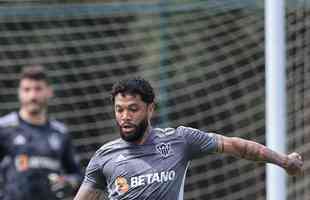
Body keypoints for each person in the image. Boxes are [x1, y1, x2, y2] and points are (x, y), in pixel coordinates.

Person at [74, 77, 303, 200]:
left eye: (133, 109)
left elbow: (237, 146)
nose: (125, 116)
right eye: (119, 109)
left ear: (150, 109)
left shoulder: (180, 140)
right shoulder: (104, 157)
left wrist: (283, 160)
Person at [0, 65, 82, 200]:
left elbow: (78, 176)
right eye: (27, 90)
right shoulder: (4, 128)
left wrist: (69, 182)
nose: (33, 95)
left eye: (38, 89)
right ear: (19, 92)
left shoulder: (61, 133)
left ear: (49, 91)